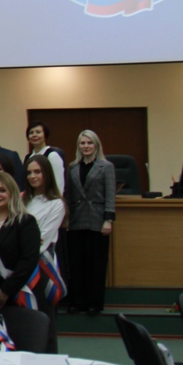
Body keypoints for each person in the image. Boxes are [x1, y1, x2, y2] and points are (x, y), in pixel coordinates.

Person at [0, 172, 45, 322]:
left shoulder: (26, 222)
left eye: (2, 190)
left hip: (21, 291)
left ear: (12, 192)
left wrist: (6, 291)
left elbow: (28, 260)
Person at [65, 130, 116, 315]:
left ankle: (95, 303)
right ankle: (78, 302)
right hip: (76, 220)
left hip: (97, 220)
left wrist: (108, 219)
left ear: (96, 145)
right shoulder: (72, 167)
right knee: (77, 264)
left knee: (96, 264)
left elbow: (110, 195)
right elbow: (69, 195)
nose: (86, 146)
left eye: (89, 143)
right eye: (82, 143)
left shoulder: (106, 166)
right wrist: (67, 218)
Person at [24, 156, 66, 352]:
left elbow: (43, 239)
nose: (32, 176)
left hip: (42, 267)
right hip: (21, 265)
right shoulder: (22, 199)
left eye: (37, 172)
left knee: (45, 318)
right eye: (29, 172)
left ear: (47, 174)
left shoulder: (56, 204)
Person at [26, 121, 67, 194]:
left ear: (45, 135)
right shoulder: (28, 157)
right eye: (31, 133)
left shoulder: (52, 155)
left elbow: (59, 183)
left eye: (38, 132)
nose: (34, 135)